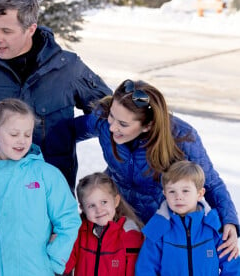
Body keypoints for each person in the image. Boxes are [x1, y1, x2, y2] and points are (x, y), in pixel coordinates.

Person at [0, 0, 112, 192]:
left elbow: (115, 118)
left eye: (6, 31)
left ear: (31, 28)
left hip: (51, 204)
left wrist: (115, 181)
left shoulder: (68, 69)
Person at [74, 79, 239, 260]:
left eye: (123, 124)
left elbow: (212, 183)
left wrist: (228, 221)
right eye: (112, 116)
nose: (112, 126)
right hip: (117, 217)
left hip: (157, 223)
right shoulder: (104, 118)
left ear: (148, 125)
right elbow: (67, 131)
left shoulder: (181, 135)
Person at [0, 98, 81, 276]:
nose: (22, 141)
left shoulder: (47, 176)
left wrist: (53, 260)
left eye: (27, 135)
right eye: (14, 134)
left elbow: (69, 220)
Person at [135, 160, 240, 275]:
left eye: (185, 191)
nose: (178, 197)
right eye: (172, 191)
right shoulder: (158, 229)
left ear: (199, 194)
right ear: (164, 193)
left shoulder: (214, 226)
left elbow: (232, 266)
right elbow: (146, 269)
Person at [63, 172, 144, 276]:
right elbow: (64, 266)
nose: (99, 210)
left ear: (115, 201)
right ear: (83, 208)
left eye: (104, 202)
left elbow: (135, 272)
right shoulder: (80, 232)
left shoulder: (130, 234)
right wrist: (62, 240)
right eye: (92, 205)